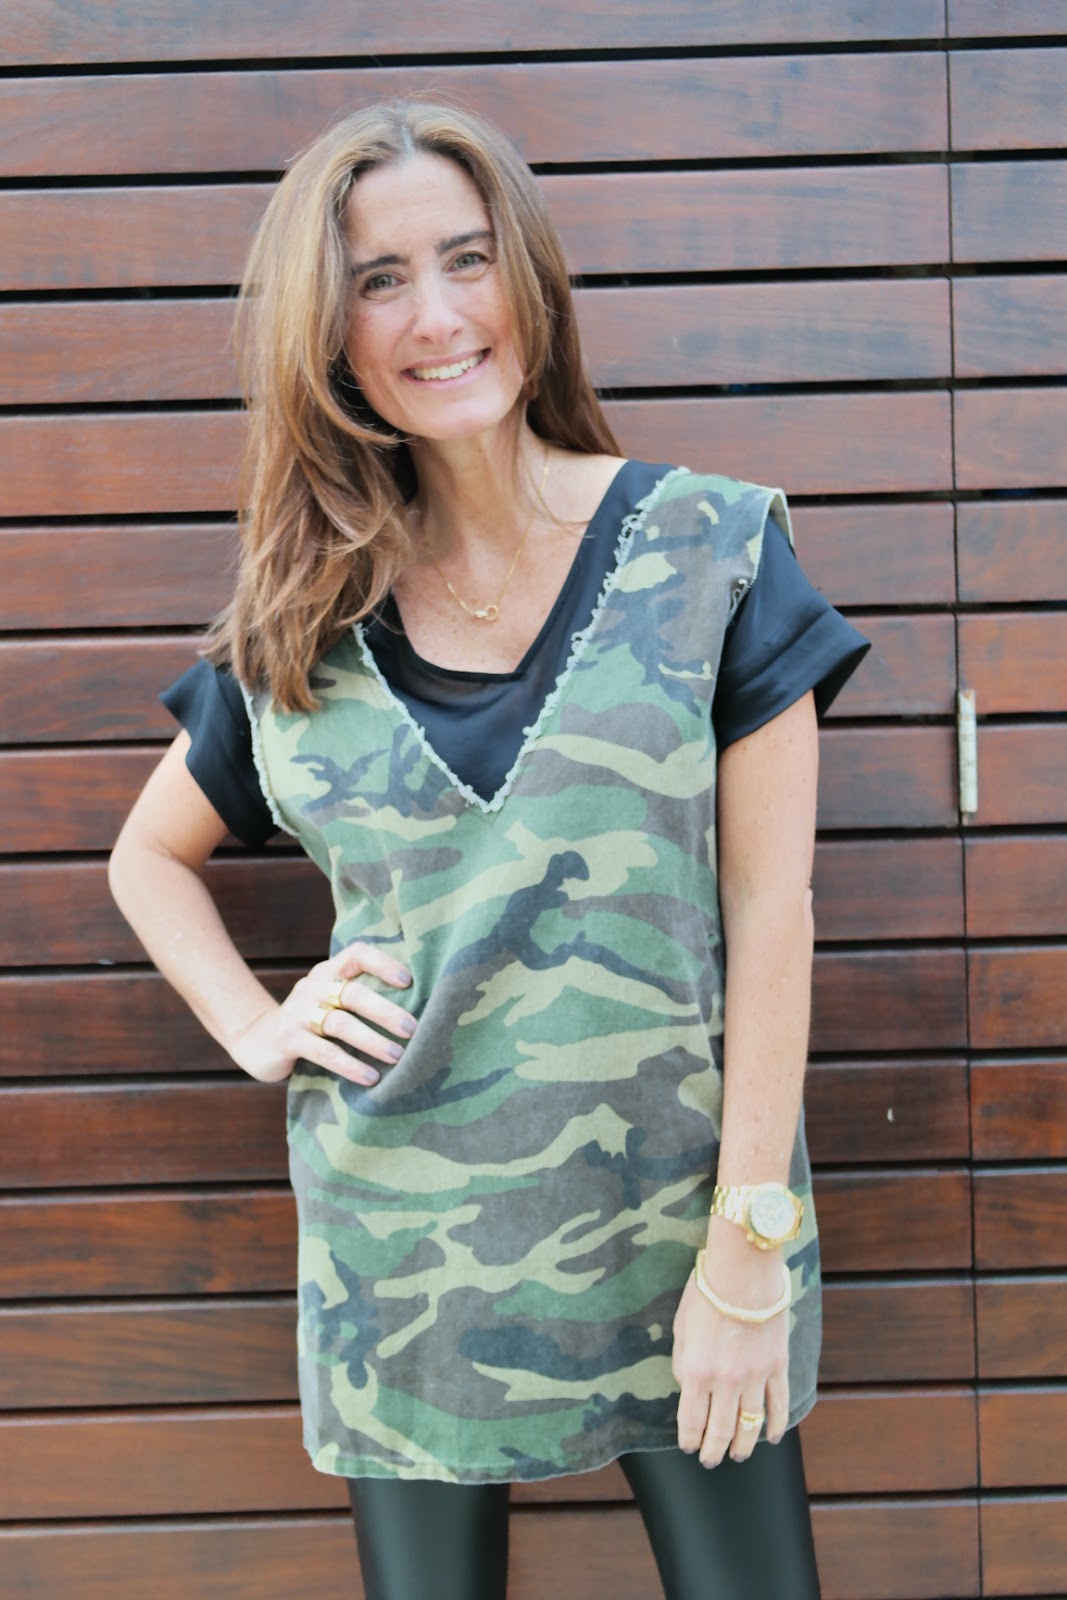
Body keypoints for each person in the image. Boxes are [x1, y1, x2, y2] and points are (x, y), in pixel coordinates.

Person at [109, 101, 869, 1600]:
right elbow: (148, 858)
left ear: (528, 278)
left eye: (467, 259)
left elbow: (772, 914)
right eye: (380, 281)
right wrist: (259, 1025)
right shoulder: (302, 625)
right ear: (329, 337)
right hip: (403, 1265)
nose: (439, 316)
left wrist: (750, 1245)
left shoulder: (711, 553)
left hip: (688, 1236)